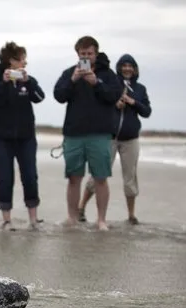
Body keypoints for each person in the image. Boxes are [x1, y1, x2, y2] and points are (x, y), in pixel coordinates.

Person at [53, 36, 122, 231]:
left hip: (100, 134)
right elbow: (59, 95)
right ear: (77, 54)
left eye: (89, 54)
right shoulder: (69, 73)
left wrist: (96, 82)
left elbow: (114, 96)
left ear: (96, 53)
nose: (86, 57)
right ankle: (72, 218)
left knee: (100, 177)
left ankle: (101, 220)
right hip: (74, 133)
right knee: (74, 178)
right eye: (82, 54)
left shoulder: (108, 75)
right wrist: (74, 80)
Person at [78, 53, 152, 225]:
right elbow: (100, 101)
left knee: (130, 178)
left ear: (134, 69)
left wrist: (132, 102)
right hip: (108, 137)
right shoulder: (112, 83)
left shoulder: (140, 89)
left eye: (130, 66)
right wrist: (115, 103)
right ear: (119, 68)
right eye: (124, 66)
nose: (127, 69)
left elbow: (147, 112)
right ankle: (81, 207)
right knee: (98, 174)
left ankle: (131, 215)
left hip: (130, 139)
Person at [0, 42, 45, 230]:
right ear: (11, 61)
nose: (25, 63)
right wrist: (3, 83)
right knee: (5, 177)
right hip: (2, 138)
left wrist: (28, 82)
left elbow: (40, 97)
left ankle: (34, 219)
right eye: (21, 59)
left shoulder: (28, 80)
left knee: (30, 176)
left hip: (26, 137)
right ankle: (6, 220)